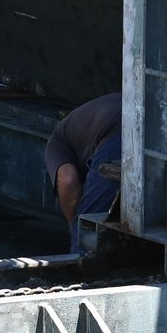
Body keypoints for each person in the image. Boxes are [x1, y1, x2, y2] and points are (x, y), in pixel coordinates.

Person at [44, 93, 122, 252]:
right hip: (159, 118)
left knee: (85, 238)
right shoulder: (74, 127)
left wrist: (74, 227)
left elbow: (67, 180)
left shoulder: (55, 146)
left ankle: (81, 273)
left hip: (117, 132)